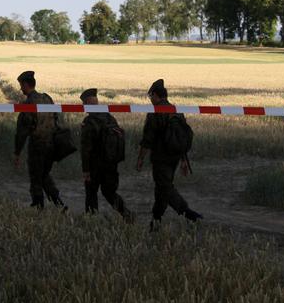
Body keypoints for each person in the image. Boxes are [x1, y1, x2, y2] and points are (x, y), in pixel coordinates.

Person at [137, 79, 202, 232]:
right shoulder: (176, 110)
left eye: (150, 96)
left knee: (164, 188)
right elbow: (182, 137)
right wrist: (183, 160)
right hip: (174, 158)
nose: (150, 100)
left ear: (155, 95)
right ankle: (155, 220)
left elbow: (147, 139)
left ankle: (188, 213)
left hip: (161, 158)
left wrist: (140, 158)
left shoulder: (156, 113)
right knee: (161, 189)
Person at [79, 88, 134, 223]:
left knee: (91, 193)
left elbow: (86, 149)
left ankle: (91, 221)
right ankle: (126, 214)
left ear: (86, 103)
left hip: (95, 165)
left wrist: (86, 170)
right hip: (111, 164)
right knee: (109, 192)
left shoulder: (89, 122)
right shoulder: (110, 118)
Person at [14, 71, 66, 210]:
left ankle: (38, 207)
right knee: (44, 175)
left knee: (36, 177)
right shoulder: (47, 98)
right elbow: (56, 118)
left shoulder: (29, 103)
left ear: (26, 84)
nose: (20, 89)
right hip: (51, 145)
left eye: (21, 85)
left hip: (37, 146)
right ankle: (58, 203)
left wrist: (17, 152)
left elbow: (22, 131)